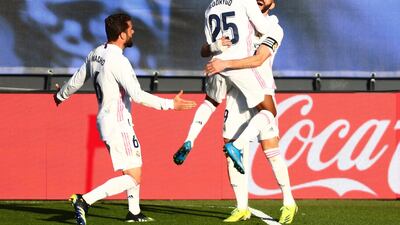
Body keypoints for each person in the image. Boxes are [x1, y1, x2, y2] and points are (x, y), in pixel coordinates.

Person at [53, 13, 196, 225]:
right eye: (130, 29)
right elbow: (137, 96)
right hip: (118, 124)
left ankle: (134, 212)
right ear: (121, 35)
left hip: (107, 121)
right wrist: (170, 105)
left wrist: (60, 95)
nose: (133, 32)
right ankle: (84, 200)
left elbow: (77, 79)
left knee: (133, 165)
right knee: (133, 176)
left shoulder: (95, 54)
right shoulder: (119, 61)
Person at [205, 1, 297, 223]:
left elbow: (258, 59)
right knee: (229, 146)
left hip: (262, 87)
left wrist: (224, 64)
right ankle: (241, 207)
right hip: (237, 91)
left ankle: (289, 202)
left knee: (270, 148)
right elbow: (211, 46)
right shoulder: (240, 20)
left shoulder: (273, 27)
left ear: (272, 5)